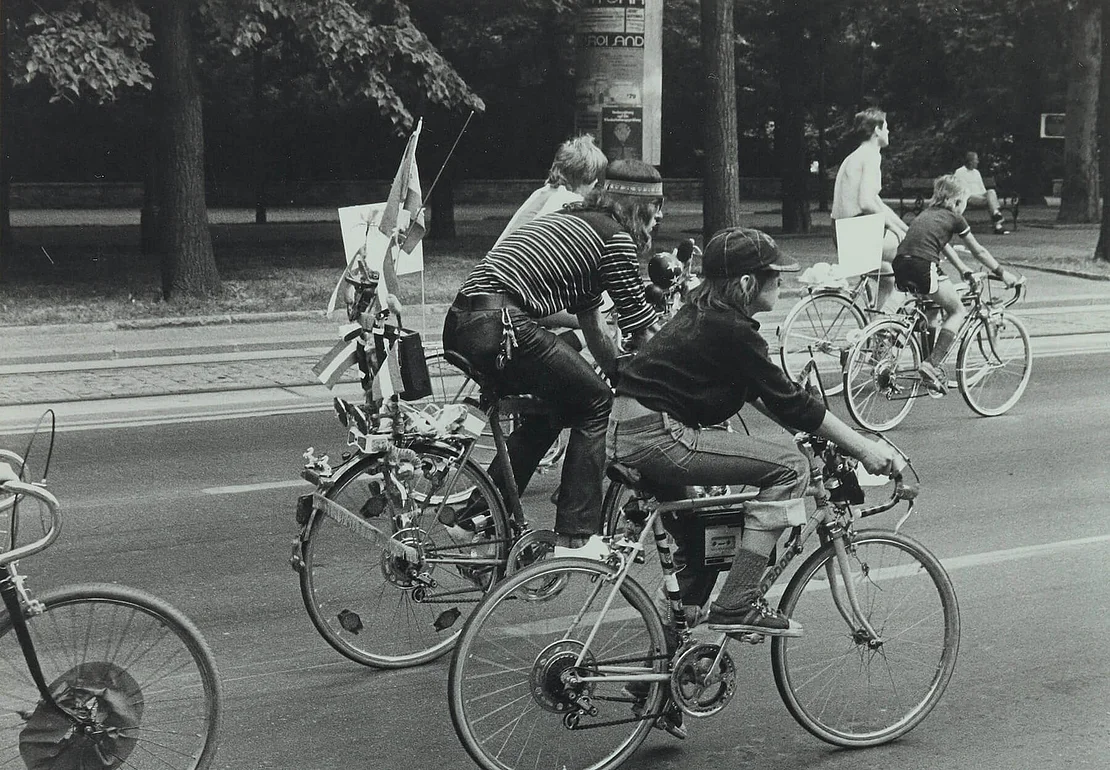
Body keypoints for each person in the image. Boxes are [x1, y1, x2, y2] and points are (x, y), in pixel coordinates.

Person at [610, 226, 901, 640]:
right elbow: (791, 400)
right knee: (788, 469)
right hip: (658, 435)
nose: (782, 283)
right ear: (747, 283)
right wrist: (865, 448)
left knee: (704, 547)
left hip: (629, 429)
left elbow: (761, 392)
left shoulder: (705, 312)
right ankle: (737, 605)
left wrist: (807, 429)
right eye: (776, 276)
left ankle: (662, 670)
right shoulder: (732, 330)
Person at [442, 159, 664, 558]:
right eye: (658, 206)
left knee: (549, 410)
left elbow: (593, 325)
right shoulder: (615, 239)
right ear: (639, 207)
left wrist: (617, 371)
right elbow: (642, 331)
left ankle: (478, 519)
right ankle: (577, 537)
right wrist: (678, 376)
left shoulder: (577, 223)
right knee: (595, 402)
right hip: (502, 323)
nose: (661, 217)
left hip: (466, 322)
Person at [893, 174, 1020, 393]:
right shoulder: (954, 217)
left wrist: (962, 269)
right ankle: (931, 365)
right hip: (923, 266)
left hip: (901, 264)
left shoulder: (927, 214)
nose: (964, 208)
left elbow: (943, 245)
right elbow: (978, 250)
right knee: (957, 310)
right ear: (956, 202)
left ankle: (927, 368)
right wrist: (1002, 273)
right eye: (964, 203)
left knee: (931, 311)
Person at [831, 107, 910, 312]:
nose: (889, 132)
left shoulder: (855, 156)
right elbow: (866, 203)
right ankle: (888, 322)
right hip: (857, 232)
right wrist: (900, 232)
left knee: (887, 279)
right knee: (913, 255)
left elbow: (877, 202)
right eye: (887, 128)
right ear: (877, 129)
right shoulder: (872, 156)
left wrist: (904, 228)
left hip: (841, 232)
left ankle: (876, 327)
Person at [494, 134, 608, 246]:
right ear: (580, 176)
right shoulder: (569, 202)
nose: (596, 182)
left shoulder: (543, 192)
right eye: (593, 177)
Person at [953, 151, 1009, 234]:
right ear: (970, 161)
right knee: (990, 202)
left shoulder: (976, 172)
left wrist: (987, 197)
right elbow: (960, 189)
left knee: (991, 191)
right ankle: (998, 225)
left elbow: (982, 189)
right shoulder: (959, 172)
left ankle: (996, 213)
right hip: (969, 197)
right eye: (976, 160)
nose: (978, 162)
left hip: (981, 196)